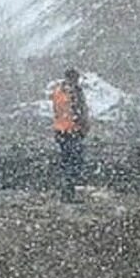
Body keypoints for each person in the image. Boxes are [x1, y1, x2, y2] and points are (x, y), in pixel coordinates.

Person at [50, 67, 90, 202]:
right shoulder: (75, 92)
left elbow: (56, 111)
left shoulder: (57, 91)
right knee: (75, 163)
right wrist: (84, 128)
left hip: (60, 132)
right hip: (73, 131)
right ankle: (70, 194)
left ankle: (66, 193)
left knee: (66, 162)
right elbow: (79, 112)